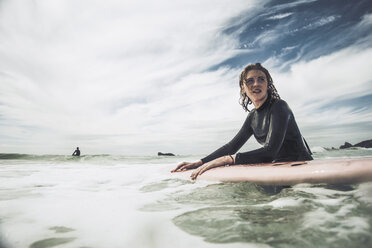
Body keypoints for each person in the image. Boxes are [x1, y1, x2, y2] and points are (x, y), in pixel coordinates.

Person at [171, 63, 313, 180]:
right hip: (280, 167)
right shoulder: (253, 117)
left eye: (261, 79)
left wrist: (229, 159)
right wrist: (200, 162)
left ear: (267, 84)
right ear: (243, 88)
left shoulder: (279, 106)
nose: (256, 84)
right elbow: (232, 146)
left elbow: (271, 151)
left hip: (301, 166)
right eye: (250, 80)